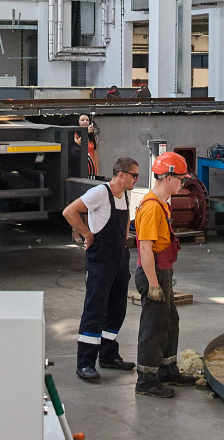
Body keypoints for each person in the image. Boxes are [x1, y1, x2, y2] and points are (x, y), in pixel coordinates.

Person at [62, 155, 139, 382]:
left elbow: (124, 221)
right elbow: (69, 211)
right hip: (100, 259)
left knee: (117, 308)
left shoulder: (125, 194)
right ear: (121, 174)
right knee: (95, 309)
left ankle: (108, 355)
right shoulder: (99, 193)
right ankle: (85, 363)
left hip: (119, 257)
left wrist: (124, 242)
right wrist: (87, 234)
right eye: (134, 175)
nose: (137, 179)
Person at [134, 151, 189, 398]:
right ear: (167, 177)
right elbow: (144, 249)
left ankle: (167, 369)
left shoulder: (162, 205)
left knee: (169, 320)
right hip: (153, 273)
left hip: (162, 272)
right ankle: (146, 380)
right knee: (154, 325)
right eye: (180, 179)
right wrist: (154, 285)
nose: (182, 183)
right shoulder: (151, 208)